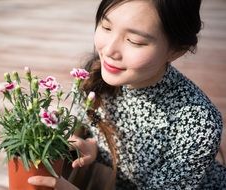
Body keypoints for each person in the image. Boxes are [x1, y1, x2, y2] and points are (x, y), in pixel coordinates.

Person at [28, 0, 226, 189]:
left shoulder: (198, 121)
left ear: (176, 51)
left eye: (135, 41)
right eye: (106, 27)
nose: (109, 50)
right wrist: (95, 149)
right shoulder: (96, 76)